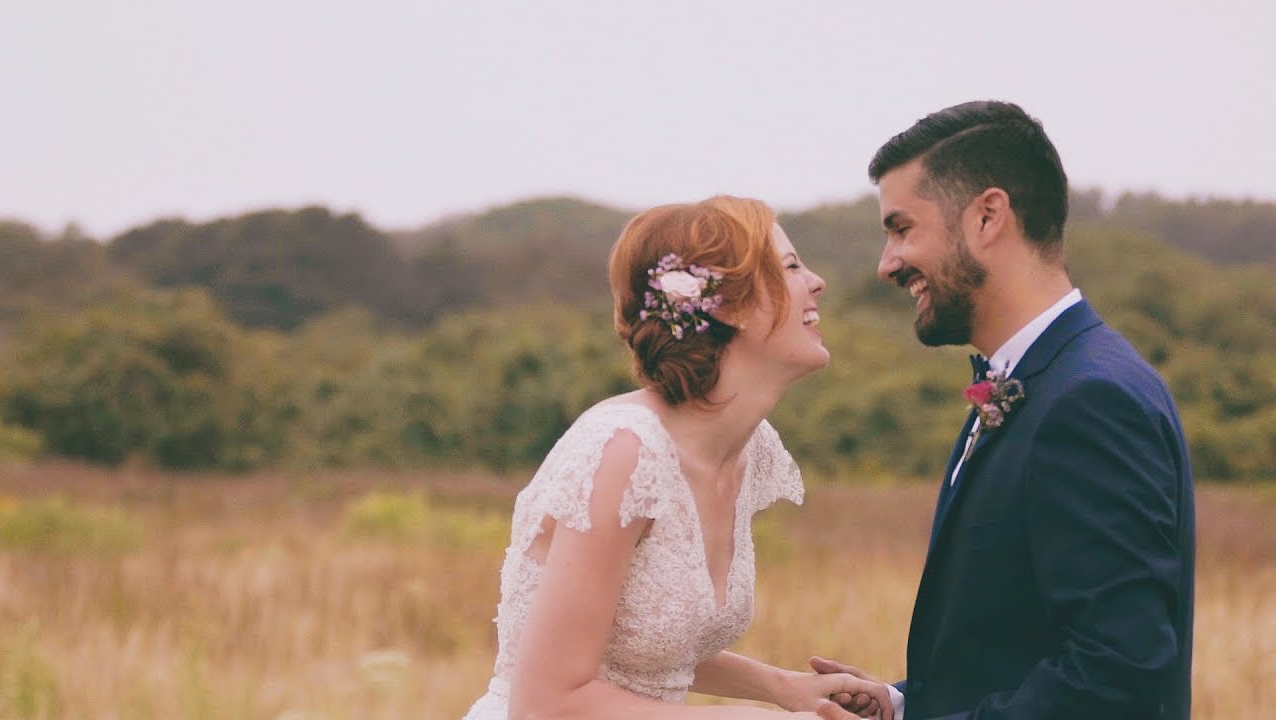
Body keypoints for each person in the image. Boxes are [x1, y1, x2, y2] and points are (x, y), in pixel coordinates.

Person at [814, 101, 1195, 719]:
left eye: (902, 229)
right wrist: (901, 707)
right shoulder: (1034, 380)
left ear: (988, 216)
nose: (886, 264)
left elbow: (1115, 678)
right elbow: (1011, 650)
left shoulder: (1091, 400)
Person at [462, 196, 896, 720]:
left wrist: (785, 687)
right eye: (790, 267)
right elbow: (545, 704)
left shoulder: (747, 449)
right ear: (728, 308)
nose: (817, 281)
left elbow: (646, 644)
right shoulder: (624, 452)